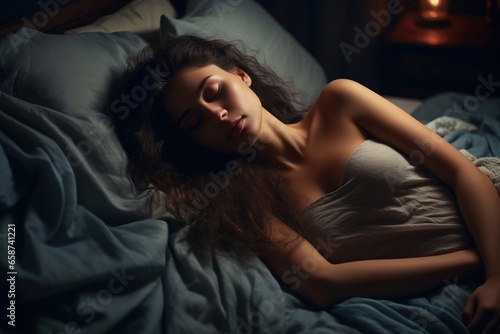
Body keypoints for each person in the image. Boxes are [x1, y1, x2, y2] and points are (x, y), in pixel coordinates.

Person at [112, 35, 500, 334]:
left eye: (213, 92)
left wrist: (496, 271)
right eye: (195, 122)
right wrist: (472, 265)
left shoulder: (340, 102)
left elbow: (463, 172)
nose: (217, 115)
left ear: (240, 75)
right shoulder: (244, 200)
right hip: (465, 279)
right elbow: (320, 283)